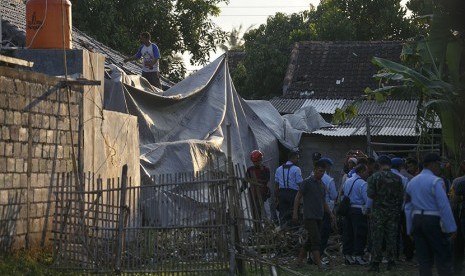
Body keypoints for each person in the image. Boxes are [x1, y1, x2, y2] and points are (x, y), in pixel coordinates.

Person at [405, 153, 457, 276]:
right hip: (432, 220)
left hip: (417, 219)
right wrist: (451, 227)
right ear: (432, 165)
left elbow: (407, 206)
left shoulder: (412, 181)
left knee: (424, 258)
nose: (440, 167)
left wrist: (409, 228)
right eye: (439, 164)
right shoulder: (435, 181)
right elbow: (443, 205)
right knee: (442, 255)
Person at [293, 160, 336, 269]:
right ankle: (319, 265)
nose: (321, 173)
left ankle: (298, 262)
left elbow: (323, 202)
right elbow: (298, 197)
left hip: (319, 216)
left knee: (310, 241)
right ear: (315, 170)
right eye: (320, 171)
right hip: (309, 216)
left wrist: (330, 214)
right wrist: (295, 213)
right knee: (316, 240)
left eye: (323, 171)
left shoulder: (322, 185)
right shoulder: (307, 182)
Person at [367, 156, 404, 272]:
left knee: (377, 237)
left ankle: (375, 263)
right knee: (391, 237)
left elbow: (370, 195)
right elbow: (401, 196)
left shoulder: (374, 177)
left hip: (378, 212)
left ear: (379, 164)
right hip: (393, 212)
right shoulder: (398, 178)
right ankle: (391, 262)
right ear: (390, 165)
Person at [341, 164, 370, 266]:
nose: (367, 174)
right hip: (359, 211)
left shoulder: (348, 181)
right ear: (361, 171)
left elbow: (343, 192)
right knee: (360, 234)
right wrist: (367, 211)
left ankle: (348, 256)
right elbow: (367, 200)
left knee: (348, 233)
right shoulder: (363, 184)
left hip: (348, 210)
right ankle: (358, 256)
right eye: (366, 172)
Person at [391, 157, 414, 261]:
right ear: (401, 166)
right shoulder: (403, 179)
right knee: (406, 232)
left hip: (387, 209)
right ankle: (408, 254)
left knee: (393, 232)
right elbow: (406, 195)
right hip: (402, 209)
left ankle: (393, 255)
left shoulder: (382, 176)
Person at [317, 157, 337, 264]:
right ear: (327, 166)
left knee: (316, 233)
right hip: (326, 210)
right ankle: (319, 256)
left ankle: (313, 256)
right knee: (324, 233)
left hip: (315, 210)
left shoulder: (311, 177)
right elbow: (334, 195)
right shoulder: (329, 180)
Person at [275, 150, 303, 227]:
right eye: (297, 158)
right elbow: (300, 184)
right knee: (293, 214)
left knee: (283, 215)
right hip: (293, 195)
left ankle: (283, 232)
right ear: (292, 158)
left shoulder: (279, 169)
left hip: (282, 194)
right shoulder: (297, 169)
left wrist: (277, 197)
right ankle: (292, 232)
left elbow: (276, 185)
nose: (298, 160)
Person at [244, 150, 271, 228]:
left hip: (262, 194)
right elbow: (245, 182)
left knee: (262, 210)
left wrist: (256, 181)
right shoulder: (250, 170)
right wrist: (240, 190)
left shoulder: (265, 170)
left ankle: (264, 226)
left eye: (257, 161)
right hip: (253, 193)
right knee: (254, 210)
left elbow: (266, 180)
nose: (255, 163)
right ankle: (256, 227)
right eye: (254, 162)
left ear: (260, 160)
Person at [449, 160, 465, 275]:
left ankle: (457, 270)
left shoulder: (458, 181)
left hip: (460, 217)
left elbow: (453, 200)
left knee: (458, 246)